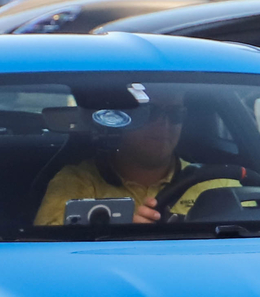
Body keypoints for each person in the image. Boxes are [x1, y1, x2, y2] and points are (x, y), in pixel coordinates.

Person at [34, 88, 241, 225]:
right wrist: (122, 234)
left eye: (175, 115)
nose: (164, 125)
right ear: (120, 120)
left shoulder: (216, 183)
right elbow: (45, 253)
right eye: (150, 113)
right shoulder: (76, 183)